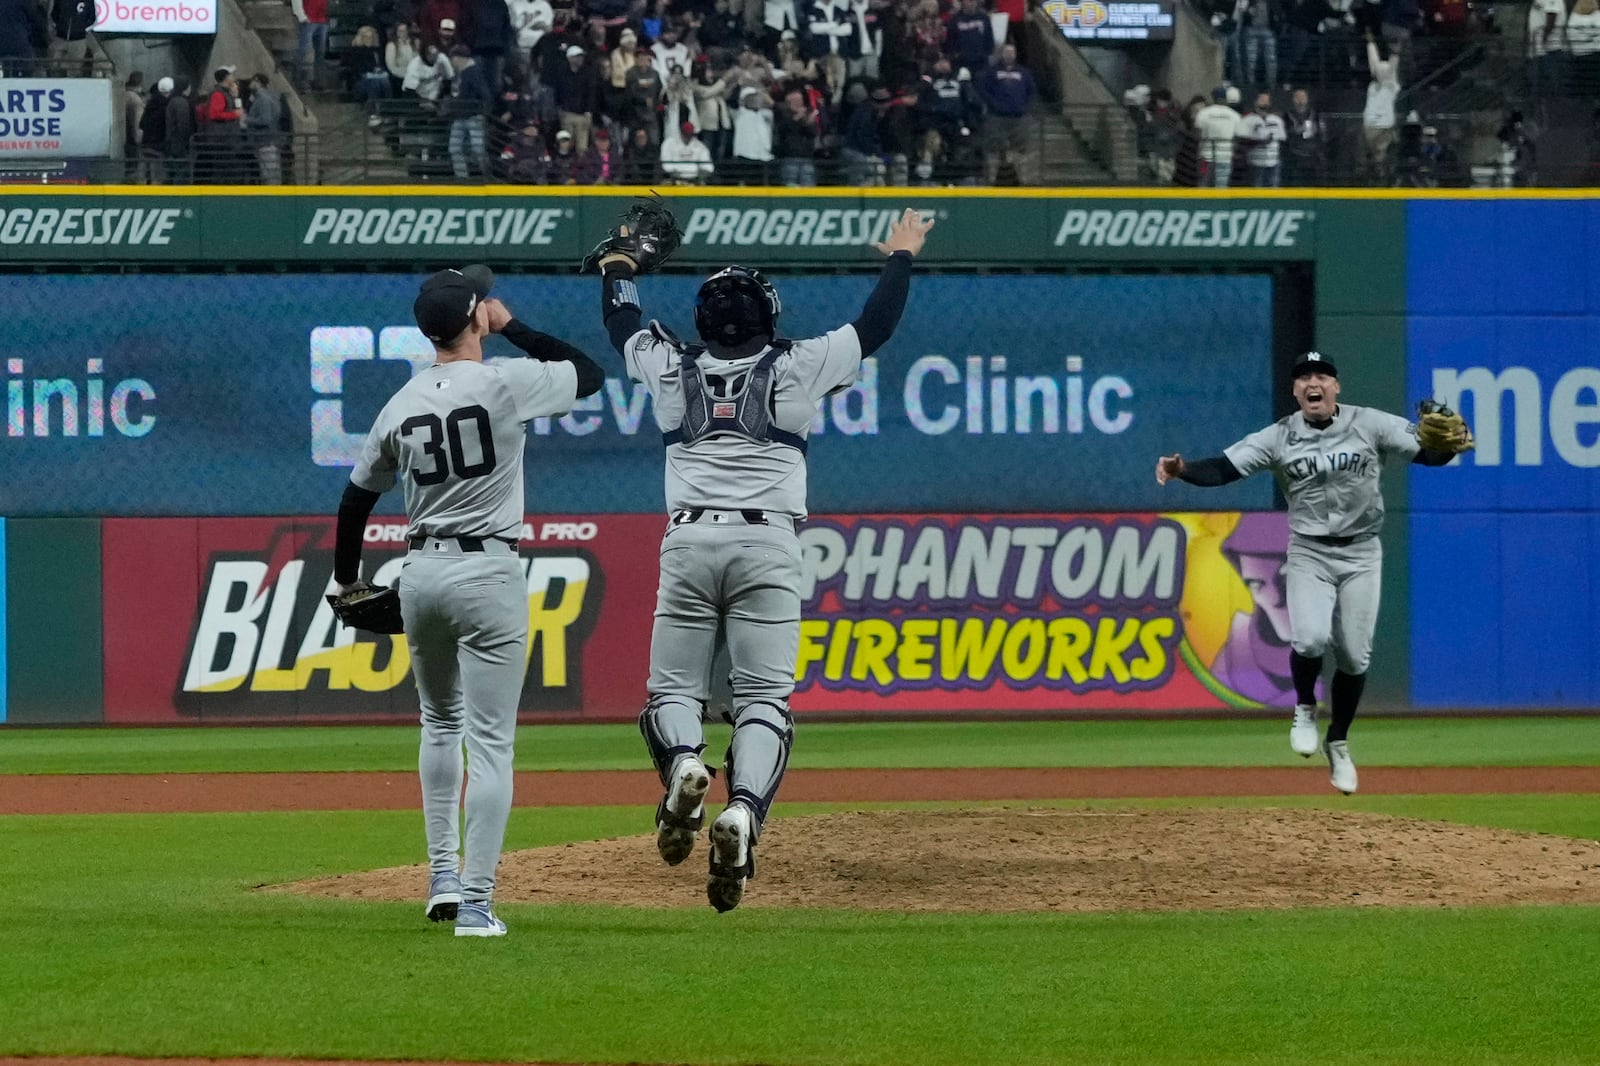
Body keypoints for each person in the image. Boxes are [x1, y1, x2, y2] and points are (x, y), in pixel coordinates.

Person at [595, 206, 934, 910]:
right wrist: (901, 254)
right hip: (769, 543)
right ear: (766, 316)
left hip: (688, 541)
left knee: (672, 697)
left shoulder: (669, 365)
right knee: (762, 701)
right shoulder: (798, 364)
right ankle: (743, 811)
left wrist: (619, 270)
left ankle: (687, 765)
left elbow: (621, 325)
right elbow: (876, 326)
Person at [330, 265, 603, 936]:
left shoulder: (401, 401)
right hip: (489, 571)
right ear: (477, 315)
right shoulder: (504, 382)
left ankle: (443, 878)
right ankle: (476, 906)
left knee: (440, 725)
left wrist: (344, 579)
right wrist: (517, 328)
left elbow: (357, 496)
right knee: (491, 743)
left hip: (419, 570)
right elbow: (588, 373)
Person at [1154, 352, 1468, 794]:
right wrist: (1182, 469)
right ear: (1296, 390)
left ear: (1336, 386)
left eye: (1321, 375)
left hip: (1361, 552)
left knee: (1356, 657)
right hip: (1309, 552)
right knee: (1310, 639)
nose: (1312, 382)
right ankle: (1304, 706)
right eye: (1303, 376)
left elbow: (1429, 455)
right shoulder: (1279, 436)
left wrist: (1447, 445)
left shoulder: (1370, 423)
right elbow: (1225, 468)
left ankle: (1338, 743)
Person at [978, 43, 1036, 184]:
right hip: (996, 117)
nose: (1009, 54)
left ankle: (1022, 180)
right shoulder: (992, 72)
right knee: (993, 150)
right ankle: (991, 180)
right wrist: (994, 105)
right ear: (1002, 54)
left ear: (1015, 54)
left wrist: (1025, 107)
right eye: (1007, 52)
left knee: (1021, 150)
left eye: (1012, 52)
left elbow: (1032, 92)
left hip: (1018, 117)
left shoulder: (1024, 72)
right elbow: (984, 91)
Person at [446, 46, 493, 178]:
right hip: (459, 116)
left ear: (460, 58)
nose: (452, 61)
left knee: (477, 149)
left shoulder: (473, 72)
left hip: (473, 116)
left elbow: (485, 95)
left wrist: (482, 114)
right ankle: (463, 179)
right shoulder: (458, 73)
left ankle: (487, 175)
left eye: (453, 58)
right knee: (454, 148)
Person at [1194, 85, 1241, 186]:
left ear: (1213, 97)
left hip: (1206, 157)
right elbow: (1238, 137)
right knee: (1221, 188)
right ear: (1226, 98)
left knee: (1204, 185)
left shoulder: (1203, 113)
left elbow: (1197, 134)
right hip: (1225, 157)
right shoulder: (1234, 115)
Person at [1237, 91, 1286, 185]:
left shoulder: (1276, 120)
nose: (1265, 103)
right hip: (1255, 162)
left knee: (1272, 190)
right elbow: (1242, 141)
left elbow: (1282, 139)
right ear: (1255, 102)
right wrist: (1258, 141)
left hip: (1273, 161)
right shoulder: (1247, 120)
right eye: (1262, 100)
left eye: (1267, 100)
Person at [247, 74, 283, 184]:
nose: (250, 83)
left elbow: (265, 120)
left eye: (251, 80)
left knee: (270, 177)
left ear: (257, 81)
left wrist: (246, 120)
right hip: (263, 142)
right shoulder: (261, 98)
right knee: (268, 176)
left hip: (265, 143)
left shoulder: (263, 99)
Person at [291, 0, 330, 91]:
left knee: (320, 52)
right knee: (303, 50)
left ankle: (319, 82)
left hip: (322, 20)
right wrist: (301, 16)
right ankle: (297, 78)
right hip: (309, 20)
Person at [139, 78, 171, 184]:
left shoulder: (150, 105)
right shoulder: (166, 107)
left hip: (146, 144)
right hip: (159, 146)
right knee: (157, 181)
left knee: (143, 180)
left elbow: (141, 124)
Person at [163, 78, 196, 185]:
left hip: (173, 141)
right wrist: (187, 140)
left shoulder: (173, 100)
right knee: (182, 171)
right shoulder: (181, 102)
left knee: (176, 170)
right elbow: (183, 124)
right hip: (180, 143)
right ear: (185, 88)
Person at [124, 73, 146, 183]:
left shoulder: (122, 94)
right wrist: (139, 139)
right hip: (133, 139)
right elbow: (138, 121)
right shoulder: (136, 100)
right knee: (133, 169)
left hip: (123, 137)